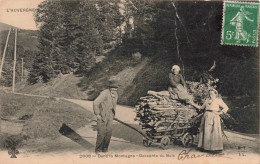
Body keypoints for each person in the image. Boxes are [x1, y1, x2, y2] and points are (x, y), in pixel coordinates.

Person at [192, 89, 229, 153]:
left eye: (212, 93)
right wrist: (192, 103)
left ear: (215, 94)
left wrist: (219, 113)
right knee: (206, 131)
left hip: (214, 117)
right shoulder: (207, 101)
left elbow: (226, 107)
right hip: (206, 116)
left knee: (213, 131)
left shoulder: (218, 100)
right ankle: (205, 147)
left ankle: (214, 148)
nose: (210, 95)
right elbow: (201, 108)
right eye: (209, 94)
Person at [93, 79, 119, 153]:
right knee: (101, 133)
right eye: (112, 88)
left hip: (110, 115)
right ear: (109, 87)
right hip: (102, 115)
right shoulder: (104, 93)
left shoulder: (116, 94)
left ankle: (105, 149)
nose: (114, 89)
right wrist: (97, 114)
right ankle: (98, 150)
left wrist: (113, 114)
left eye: (115, 88)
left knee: (109, 132)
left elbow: (114, 105)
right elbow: (95, 103)